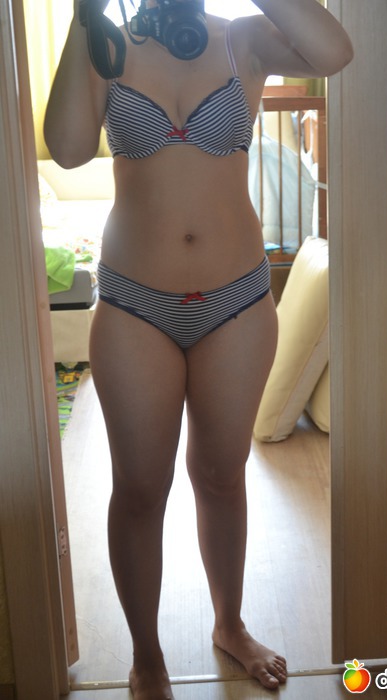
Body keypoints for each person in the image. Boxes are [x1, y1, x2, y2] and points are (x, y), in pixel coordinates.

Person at [44, 2, 352, 698]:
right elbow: (66, 149)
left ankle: (230, 625)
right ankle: (146, 656)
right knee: (140, 488)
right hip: (134, 306)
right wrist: (85, 14)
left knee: (221, 475)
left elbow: (334, 53)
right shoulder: (107, 45)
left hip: (236, 302)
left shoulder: (245, 39)